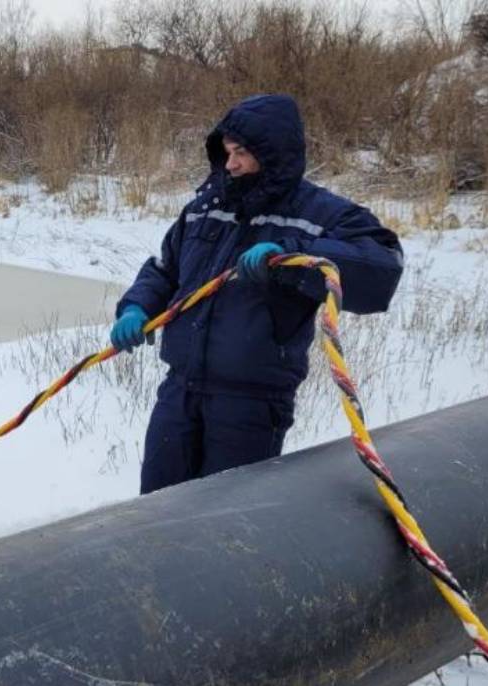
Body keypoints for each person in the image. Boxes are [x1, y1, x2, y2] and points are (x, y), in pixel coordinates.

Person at [110, 94, 403, 494]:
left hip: (250, 406)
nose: (230, 164)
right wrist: (136, 306)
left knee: (228, 524)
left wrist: (294, 255)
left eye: (242, 153)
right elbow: (164, 270)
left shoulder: (319, 213)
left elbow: (382, 268)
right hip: (179, 394)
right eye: (228, 152)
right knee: (155, 512)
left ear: (273, 154)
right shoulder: (206, 207)